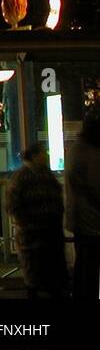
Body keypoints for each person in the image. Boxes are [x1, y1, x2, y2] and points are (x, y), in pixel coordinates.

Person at [8, 142, 68, 299]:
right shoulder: (25, 176)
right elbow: (14, 204)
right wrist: (26, 223)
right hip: (34, 232)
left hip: (43, 231)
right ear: (35, 156)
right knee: (37, 269)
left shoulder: (40, 174)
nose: (46, 156)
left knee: (39, 269)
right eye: (43, 153)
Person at [67, 105, 100, 301]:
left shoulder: (75, 149)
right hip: (93, 222)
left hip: (81, 221)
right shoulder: (90, 153)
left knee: (84, 265)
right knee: (90, 267)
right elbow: (96, 188)